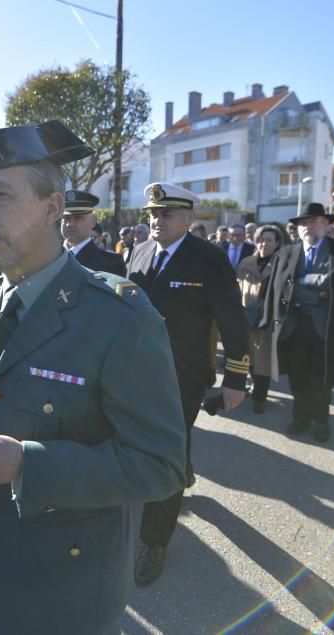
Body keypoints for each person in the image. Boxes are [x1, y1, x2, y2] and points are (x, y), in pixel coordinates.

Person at [0, 121, 186, 635]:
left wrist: (27, 464)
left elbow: (161, 465)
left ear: (53, 208)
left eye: (0, 196)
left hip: (62, 595)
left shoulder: (118, 316)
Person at [126, 182, 249, 586]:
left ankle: (154, 540)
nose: (156, 221)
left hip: (184, 375)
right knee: (162, 443)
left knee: (167, 450)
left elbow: (232, 319)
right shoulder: (140, 251)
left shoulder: (208, 258)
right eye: (152, 214)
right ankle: (184, 465)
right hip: (138, 373)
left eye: (166, 214)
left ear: (188, 218)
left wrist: (235, 376)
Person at [261, 203, 334, 443]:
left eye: (314, 221)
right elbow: (276, 289)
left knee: (322, 378)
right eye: (303, 223)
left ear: (326, 224)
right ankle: (300, 418)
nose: (308, 227)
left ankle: (320, 421)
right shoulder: (286, 253)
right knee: (297, 377)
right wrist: (316, 294)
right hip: (293, 327)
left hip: (326, 327)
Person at [235, 224, 283, 414]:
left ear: (277, 243)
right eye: (261, 240)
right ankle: (253, 385)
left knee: (264, 362)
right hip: (246, 316)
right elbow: (236, 289)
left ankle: (260, 397)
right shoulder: (246, 262)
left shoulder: (282, 264)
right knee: (249, 359)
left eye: (269, 240)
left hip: (268, 321)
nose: (264, 244)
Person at [61, 190, 126, 276]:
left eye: (78, 218)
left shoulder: (110, 263)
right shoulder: (47, 259)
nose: (70, 224)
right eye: (66, 218)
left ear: (93, 221)